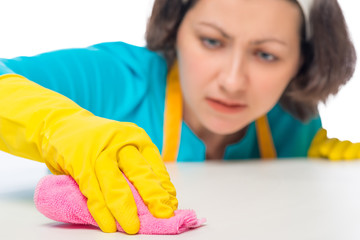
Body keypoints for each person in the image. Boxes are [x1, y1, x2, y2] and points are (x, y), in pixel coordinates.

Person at [0, 0, 357, 234]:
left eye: (266, 55)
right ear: (176, 30)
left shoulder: (292, 122)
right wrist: (58, 124)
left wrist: (311, 153)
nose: (232, 81)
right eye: (212, 42)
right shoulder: (116, 78)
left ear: (303, 62)